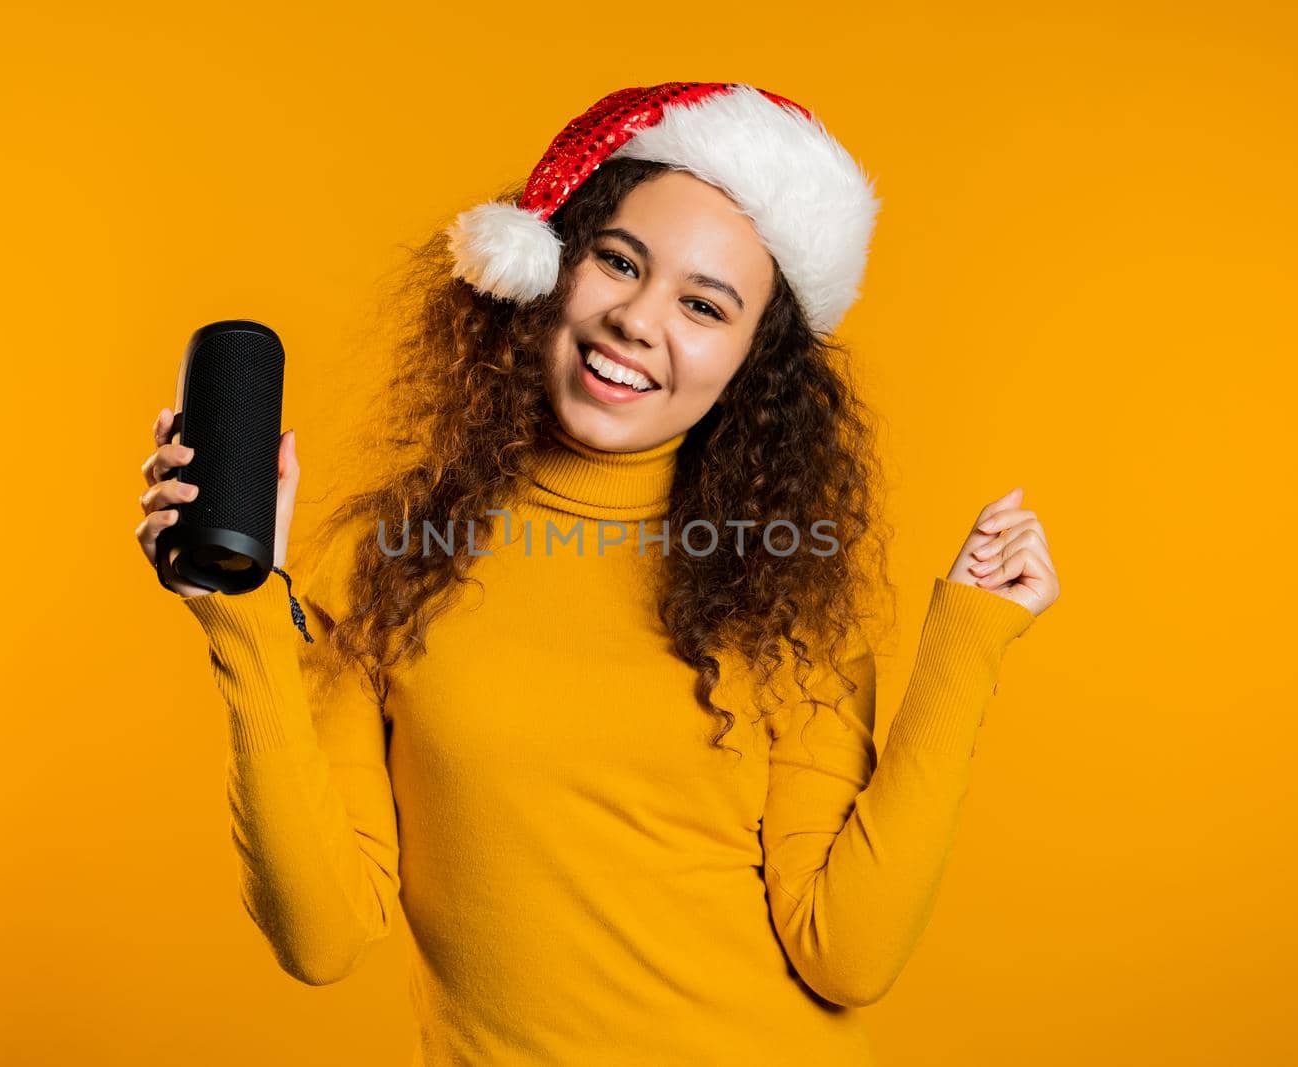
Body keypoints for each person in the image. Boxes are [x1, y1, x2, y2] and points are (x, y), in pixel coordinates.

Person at [135, 81, 1060, 1066]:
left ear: (751, 362)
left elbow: (849, 955)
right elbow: (320, 936)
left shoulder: (783, 593)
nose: (636, 319)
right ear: (548, 266)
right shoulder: (387, 562)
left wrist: (966, 642)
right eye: (617, 261)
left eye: (704, 305)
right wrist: (239, 614)